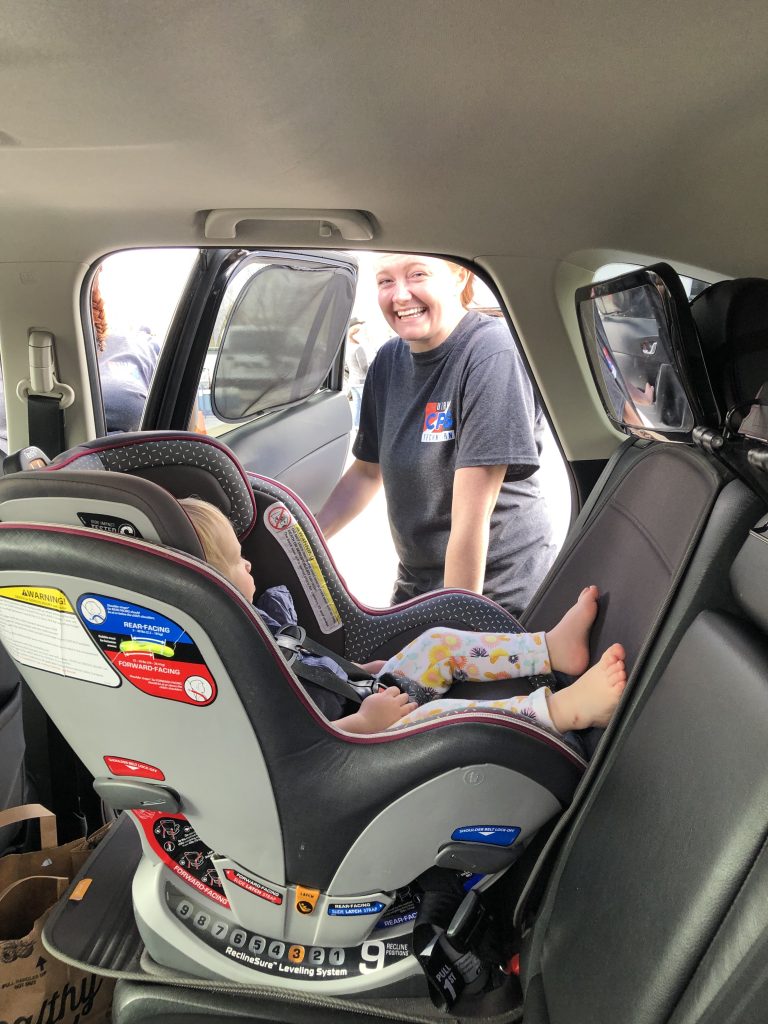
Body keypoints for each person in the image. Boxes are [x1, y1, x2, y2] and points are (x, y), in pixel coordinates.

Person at [178, 497, 626, 739]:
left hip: (362, 696)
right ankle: (563, 712)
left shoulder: (250, 625)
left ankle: (550, 649)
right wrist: (364, 724)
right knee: (446, 715)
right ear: (210, 585)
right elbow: (289, 744)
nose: (249, 565)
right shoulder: (230, 668)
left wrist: (353, 673)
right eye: (237, 561)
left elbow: (304, 668)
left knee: (439, 643)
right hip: (352, 740)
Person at [317, 254, 557, 617]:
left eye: (417, 275)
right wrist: (301, 541)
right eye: (385, 281)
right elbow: (367, 472)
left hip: (496, 597)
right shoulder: (387, 360)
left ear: (460, 277)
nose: (399, 296)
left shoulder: (491, 353)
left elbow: (470, 519)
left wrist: (454, 635)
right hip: (417, 587)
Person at [344, 317, 369, 429]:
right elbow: (364, 366)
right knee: (365, 406)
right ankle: (364, 427)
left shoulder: (348, 347)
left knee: (356, 405)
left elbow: (346, 366)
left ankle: (355, 426)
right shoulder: (358, 348)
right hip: (362, 382)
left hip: (352, 381)